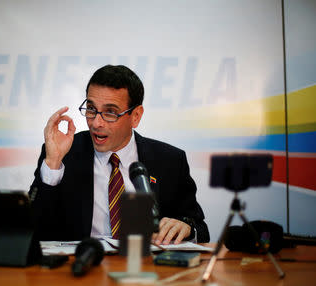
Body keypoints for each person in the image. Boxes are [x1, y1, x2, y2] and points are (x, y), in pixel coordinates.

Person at [30, 64, 209, 245]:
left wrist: (186, 228)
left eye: (110, 112)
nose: (96, 123)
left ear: (136, 116)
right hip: (83, 265)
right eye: (91, 109)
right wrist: (53, 164)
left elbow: (200, 229)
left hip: (147, 267)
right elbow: (33, 229)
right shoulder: (63, 153)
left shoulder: (169, 160)